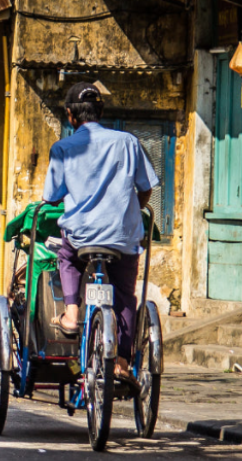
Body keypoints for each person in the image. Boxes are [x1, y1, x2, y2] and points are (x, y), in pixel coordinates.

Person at [42, 82, 158, 385]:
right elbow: (145, 189)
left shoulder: (63, 148)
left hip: (81, 236)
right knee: (125, 294)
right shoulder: (128, 142)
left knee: (67, 258)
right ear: (101, 111)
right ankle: (122, 362)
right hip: (122, 236)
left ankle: (71, 314)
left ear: (70, 115)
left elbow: (51, 198)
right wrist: (129, 210)